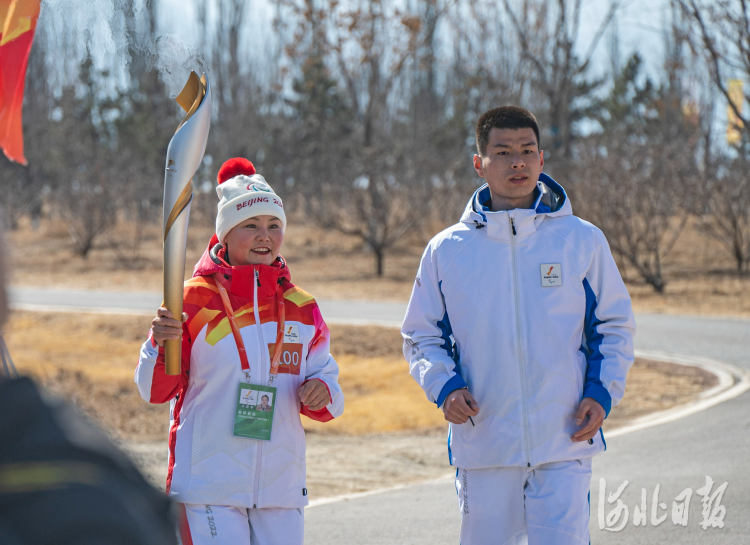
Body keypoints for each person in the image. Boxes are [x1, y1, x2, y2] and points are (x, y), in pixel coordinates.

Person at [401, 106, 635, 545]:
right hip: (484, 442)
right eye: (504, 152)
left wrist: (601, 393)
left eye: (528, 151)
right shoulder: (447, 250)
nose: (518, 162)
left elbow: (614, 325)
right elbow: (421, 333)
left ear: (542, 159)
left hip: (564, 437)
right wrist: (444, 387)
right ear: (479, 163)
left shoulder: (580, 239)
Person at [135, 158, 344, 545]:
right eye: (251, 225)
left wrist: (322, 391)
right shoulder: (192, 300)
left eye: (274, 226)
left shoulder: (302, 307)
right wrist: (160, 346)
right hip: (208, 485)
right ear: (225, 235)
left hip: (280, 487)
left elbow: (329, 392)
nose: (265, 235)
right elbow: (154, 391)